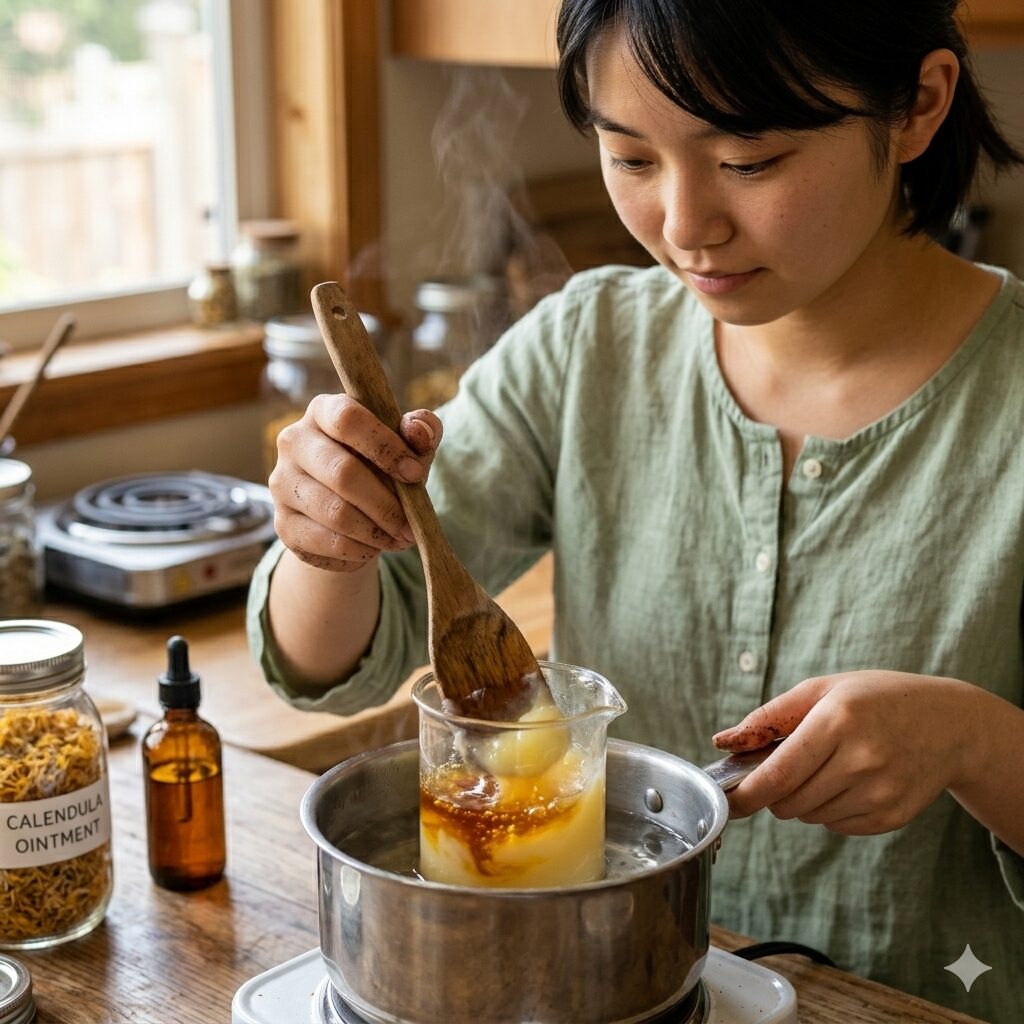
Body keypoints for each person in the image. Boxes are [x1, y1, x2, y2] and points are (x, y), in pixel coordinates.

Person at [248, 1, 1024, 1018]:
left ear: (918, 105)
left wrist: (972, 741)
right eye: (631, 157)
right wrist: (326, 539)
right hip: (604, 991)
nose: (684, 224)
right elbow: (334, 660)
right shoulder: (588, 347)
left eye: (749, 160)